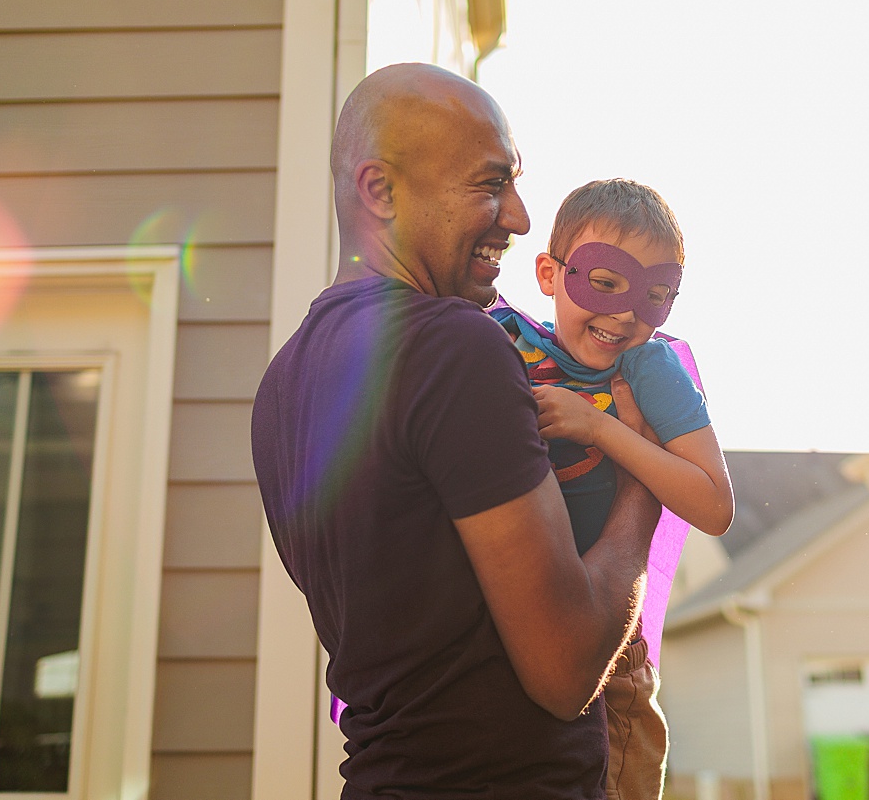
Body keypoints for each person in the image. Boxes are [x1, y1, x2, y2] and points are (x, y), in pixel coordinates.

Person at [251, 63, 662, 799]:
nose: (520, 216)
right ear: (380, 190)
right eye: (488, 184)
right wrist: (642, 485)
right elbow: (566, 669)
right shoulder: (453, 347)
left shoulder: (283, 382)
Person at [492, 178, 733, 800]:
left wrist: (600, 427)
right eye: (605, 282)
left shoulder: (650, 368)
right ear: (548, 273)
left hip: (612, 654)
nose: (626, 313)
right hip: (511, 624)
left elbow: (714, 504)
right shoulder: (500, 343)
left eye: (656, 295)